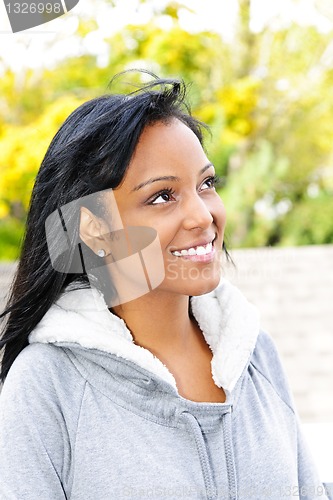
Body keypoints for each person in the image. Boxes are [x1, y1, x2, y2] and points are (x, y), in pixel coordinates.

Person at [0, 74, 329, 500]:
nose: (202, 215)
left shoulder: (256, 355)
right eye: (162, 196)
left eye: (206, 184)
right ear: (96, 230)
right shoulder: (46, 385)